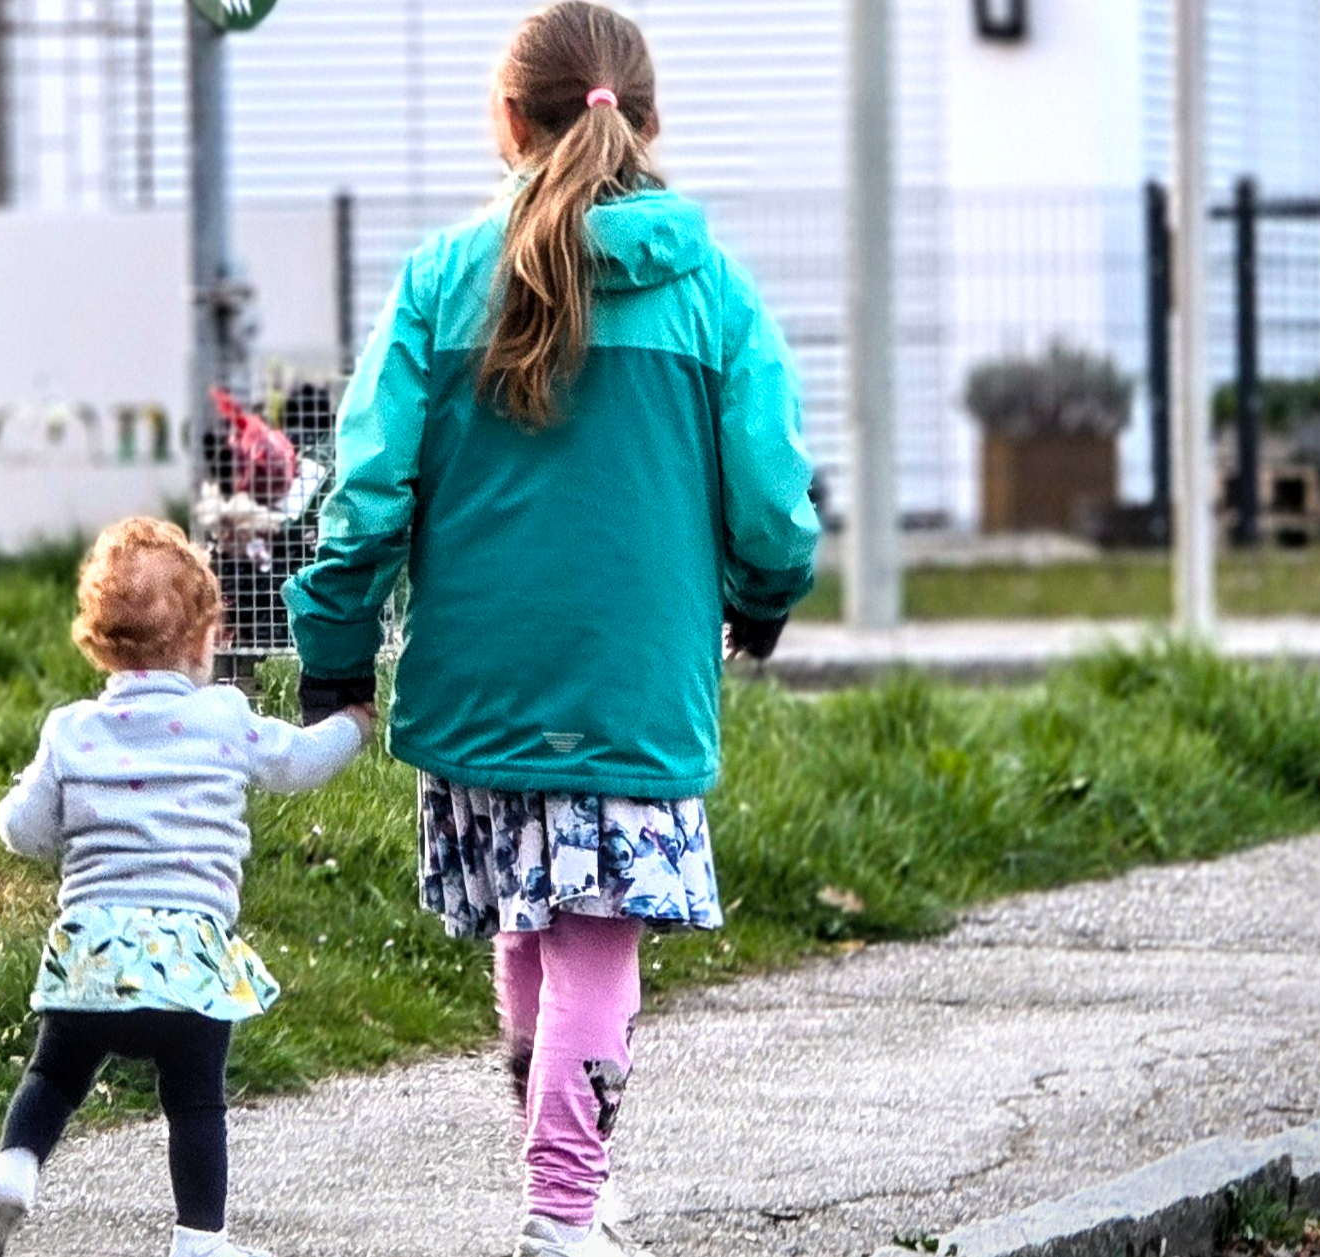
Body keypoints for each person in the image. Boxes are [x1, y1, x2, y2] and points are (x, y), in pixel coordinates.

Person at [282, 5, 819, 1255]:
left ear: (508, 121)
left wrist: (337, 651)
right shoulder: (712, 290)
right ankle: (562, 1210)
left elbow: (365, 490)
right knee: (594, 936)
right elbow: (771, 492)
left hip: (476, 679)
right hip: (633, 686)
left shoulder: (436, 277)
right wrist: (765, 592)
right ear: (646, 121)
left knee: (530, 918)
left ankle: (558, 1185)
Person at [0, 518, 373, 1257]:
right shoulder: (222, 718)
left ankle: (12, 1175)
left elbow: (23, 828)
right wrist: (354, 725)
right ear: (204, 639)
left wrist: (51, 827)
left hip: (93, 954)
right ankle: (198, 1238)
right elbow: (298, 762)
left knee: (53, 1074)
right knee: (195, 1102)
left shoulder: (70, 729)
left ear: (97, 638)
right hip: (187, 959)